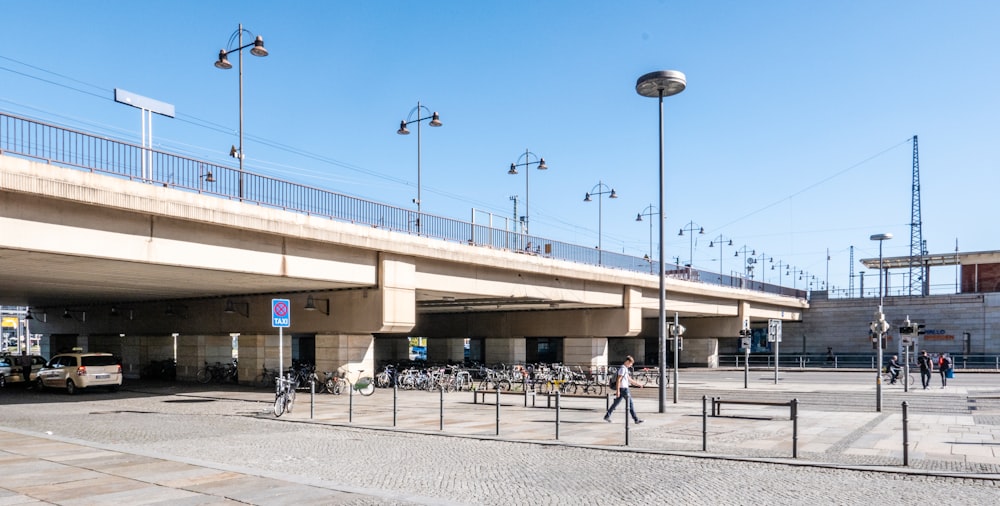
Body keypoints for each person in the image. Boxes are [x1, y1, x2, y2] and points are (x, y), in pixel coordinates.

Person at [603, 355, 643, 424]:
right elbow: (618, 380)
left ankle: (607, 416)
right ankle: (636, 419)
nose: (631, 365)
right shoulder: (622, 369)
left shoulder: (625, 369)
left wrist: (638, 384)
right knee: (630, 404)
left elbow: (629, 379)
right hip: (624, 389)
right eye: (631, 363)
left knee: (616, 403)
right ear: (627, 362)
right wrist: (618, 390)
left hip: (623, 389)